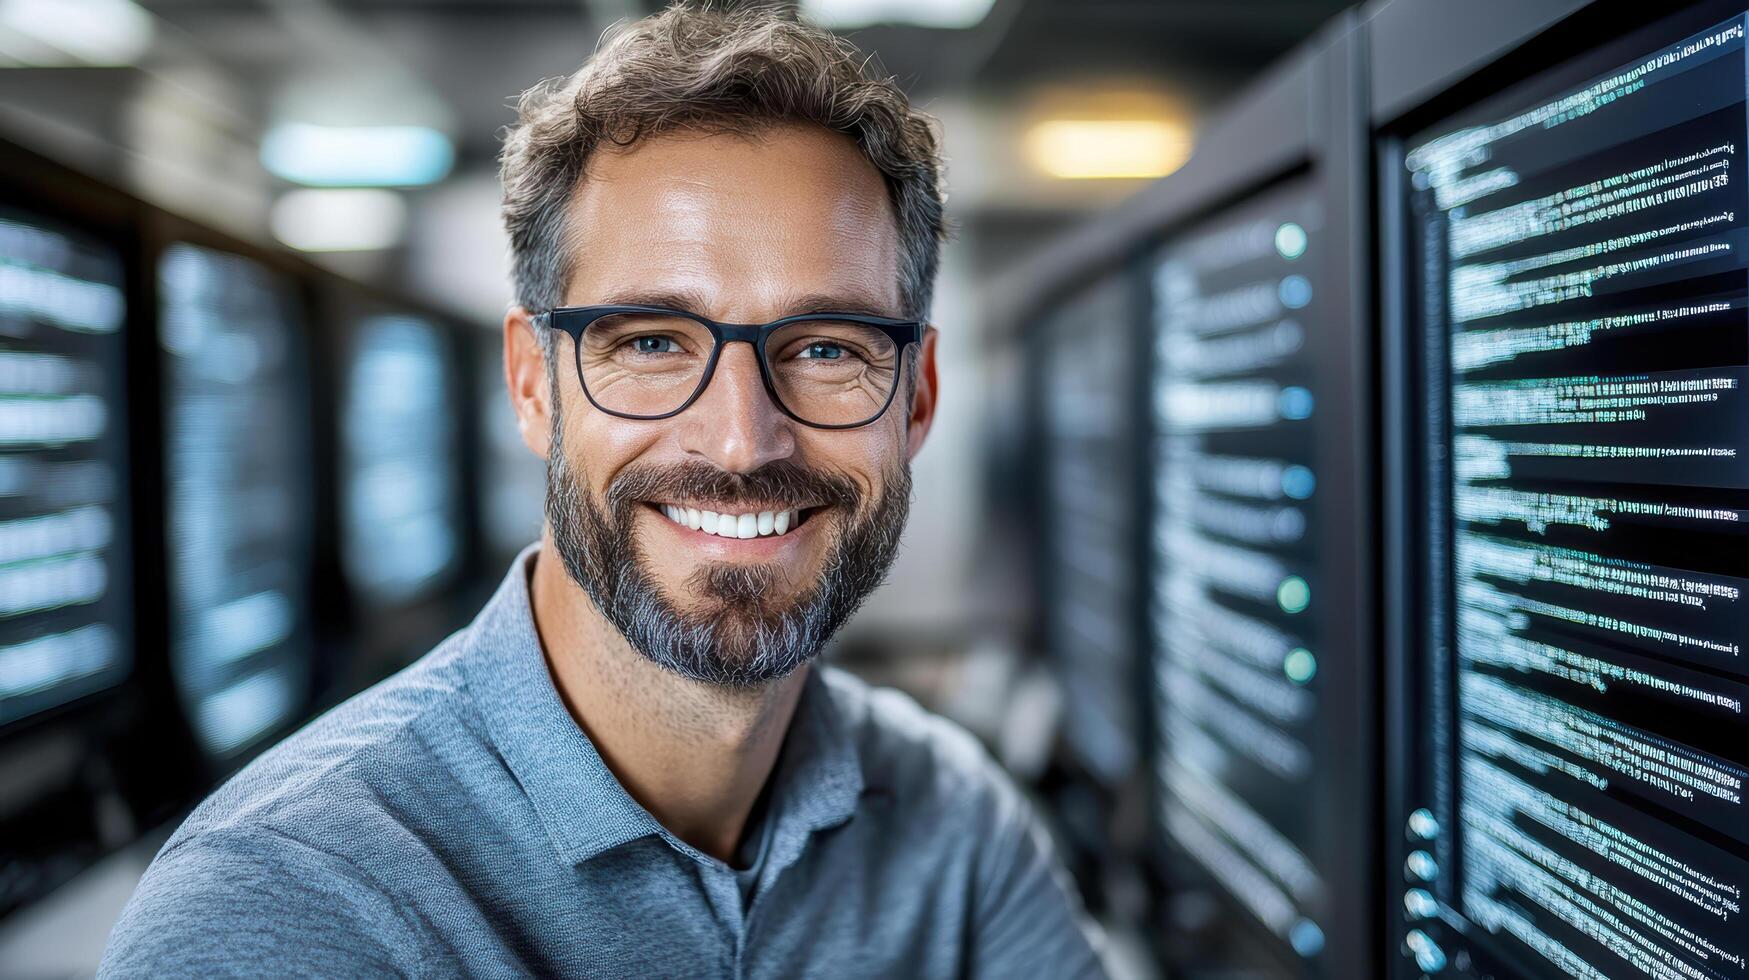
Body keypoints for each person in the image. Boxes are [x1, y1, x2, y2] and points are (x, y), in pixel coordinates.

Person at [100, 3, 1106, 977]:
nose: (743, 439)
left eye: (827, 346)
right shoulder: (288, 904)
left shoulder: (956, 830)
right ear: (533, 384)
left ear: (916, 399)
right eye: (655, 343)